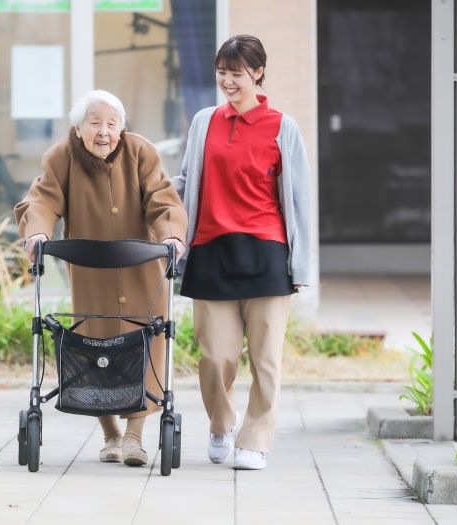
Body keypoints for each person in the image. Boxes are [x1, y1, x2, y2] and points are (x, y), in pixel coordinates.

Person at [14, 89, 187, 467]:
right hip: (92, 275)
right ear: (78, 129)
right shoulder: (61, 157)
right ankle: (111, 435)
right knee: (95, 350)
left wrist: (171, 233)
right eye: (95, 123)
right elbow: (41, 200)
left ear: (122, 128)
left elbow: (163, 198)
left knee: (147, 345)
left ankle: (135, 439)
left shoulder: (141, 152)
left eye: (112, 124)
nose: (104, 132)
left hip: (143, 272)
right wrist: (38, 231)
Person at [172, 35, 312, 470]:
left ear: (258, 73)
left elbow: (301, 199)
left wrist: (301, 263)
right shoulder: (204, 122)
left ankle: (256, 440)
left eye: (236, 73)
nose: (227, 81)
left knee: (266, 358)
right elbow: (183, 181)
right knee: (216, 357)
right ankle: (221, 423)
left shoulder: (282, 127)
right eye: (222, 72)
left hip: (268, 251)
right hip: (211, 249)